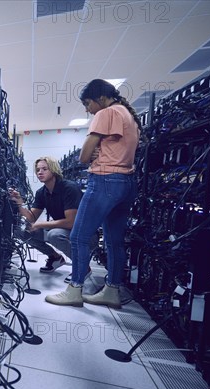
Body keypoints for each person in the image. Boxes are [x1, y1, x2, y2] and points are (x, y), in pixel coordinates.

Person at [45, 79, 141, 309]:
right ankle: (112, 290)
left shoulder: (106, 113)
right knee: (114, 242)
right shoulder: (127, 115)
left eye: (87, 103)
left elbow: (83, 156)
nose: (87, 110)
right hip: (126, 182)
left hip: (105, 180)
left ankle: (75, 290)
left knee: (78, 237)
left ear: (100, 98)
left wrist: (94, 150)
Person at [9, 157, 85, 279]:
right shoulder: (42, 192)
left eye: (44, 169)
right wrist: (19, 203)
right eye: (38, 169)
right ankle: (55, 258)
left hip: (83, 232)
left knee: (54, 235)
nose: (40, 172)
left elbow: (71, 223)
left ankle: (82, 266)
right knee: (22, 232)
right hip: (62, 229)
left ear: (54, 170)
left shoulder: (69, 188)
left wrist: (41, 224)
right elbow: (32, 218)